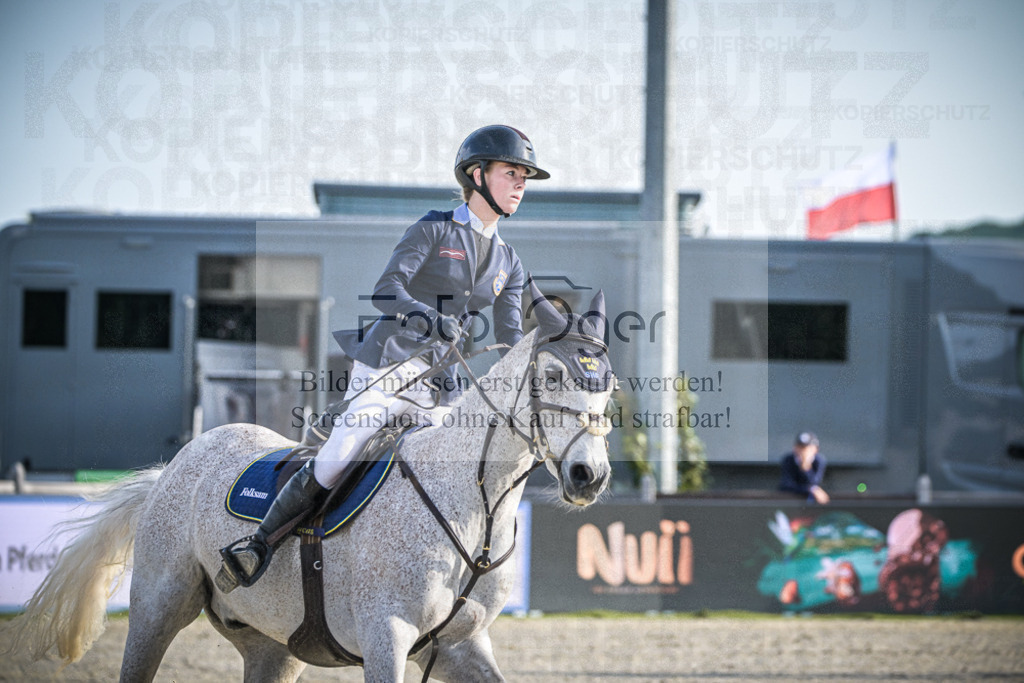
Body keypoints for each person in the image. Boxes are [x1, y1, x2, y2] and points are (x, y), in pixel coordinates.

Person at [215, 125, 549, 593]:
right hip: (392, 361)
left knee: (460, 464)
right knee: (341, 453)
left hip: (443, 382)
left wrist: (540, 361)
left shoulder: (509, 261)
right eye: (511, 172)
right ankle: (258, 545)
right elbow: (385, 291)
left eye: (525, 177)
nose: (520, 184)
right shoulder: (434, 228)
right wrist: (430, 319)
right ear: (477, 174)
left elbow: (512, 335)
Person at [778, 431, 830, 504]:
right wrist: (809, 489)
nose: (803, 451)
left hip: (812, 504)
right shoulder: (788, 460)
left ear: (815, 449)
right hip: (791, 502)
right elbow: (786, 485)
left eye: (806, 448)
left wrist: (806, 467)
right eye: (800, 447)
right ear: (795, 448)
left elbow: (815, 483)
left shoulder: (819, 461)